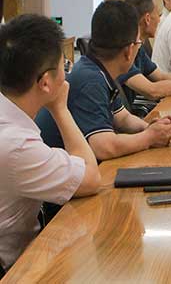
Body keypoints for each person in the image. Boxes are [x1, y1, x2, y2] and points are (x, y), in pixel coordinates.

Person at [0, 15, 101, 271]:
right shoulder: (17, 145)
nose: (67, 73)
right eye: (65, 65)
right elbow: (91, 178)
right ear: (45, 82)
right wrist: (60, 109)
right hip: (15, 269)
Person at [35, 1, 171, 161]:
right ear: (129, 51)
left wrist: (152, 128)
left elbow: (123, 118)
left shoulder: (98, 69)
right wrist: (149, 137)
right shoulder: (90, 80)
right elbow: (103, 147)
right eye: (138, 44)